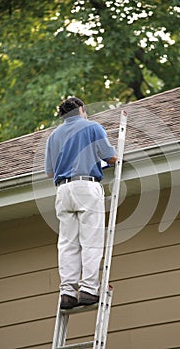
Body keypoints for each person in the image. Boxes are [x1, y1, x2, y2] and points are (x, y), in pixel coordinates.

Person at [45, 96, 117, 309]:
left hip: (63, 190)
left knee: (67, 243)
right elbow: (111, 157)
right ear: (82, 109)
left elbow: (50, 172)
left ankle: (67, 292)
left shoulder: (53, 136)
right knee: (91, 240)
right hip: (86, 186)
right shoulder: (92, 127)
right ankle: (88, 289)